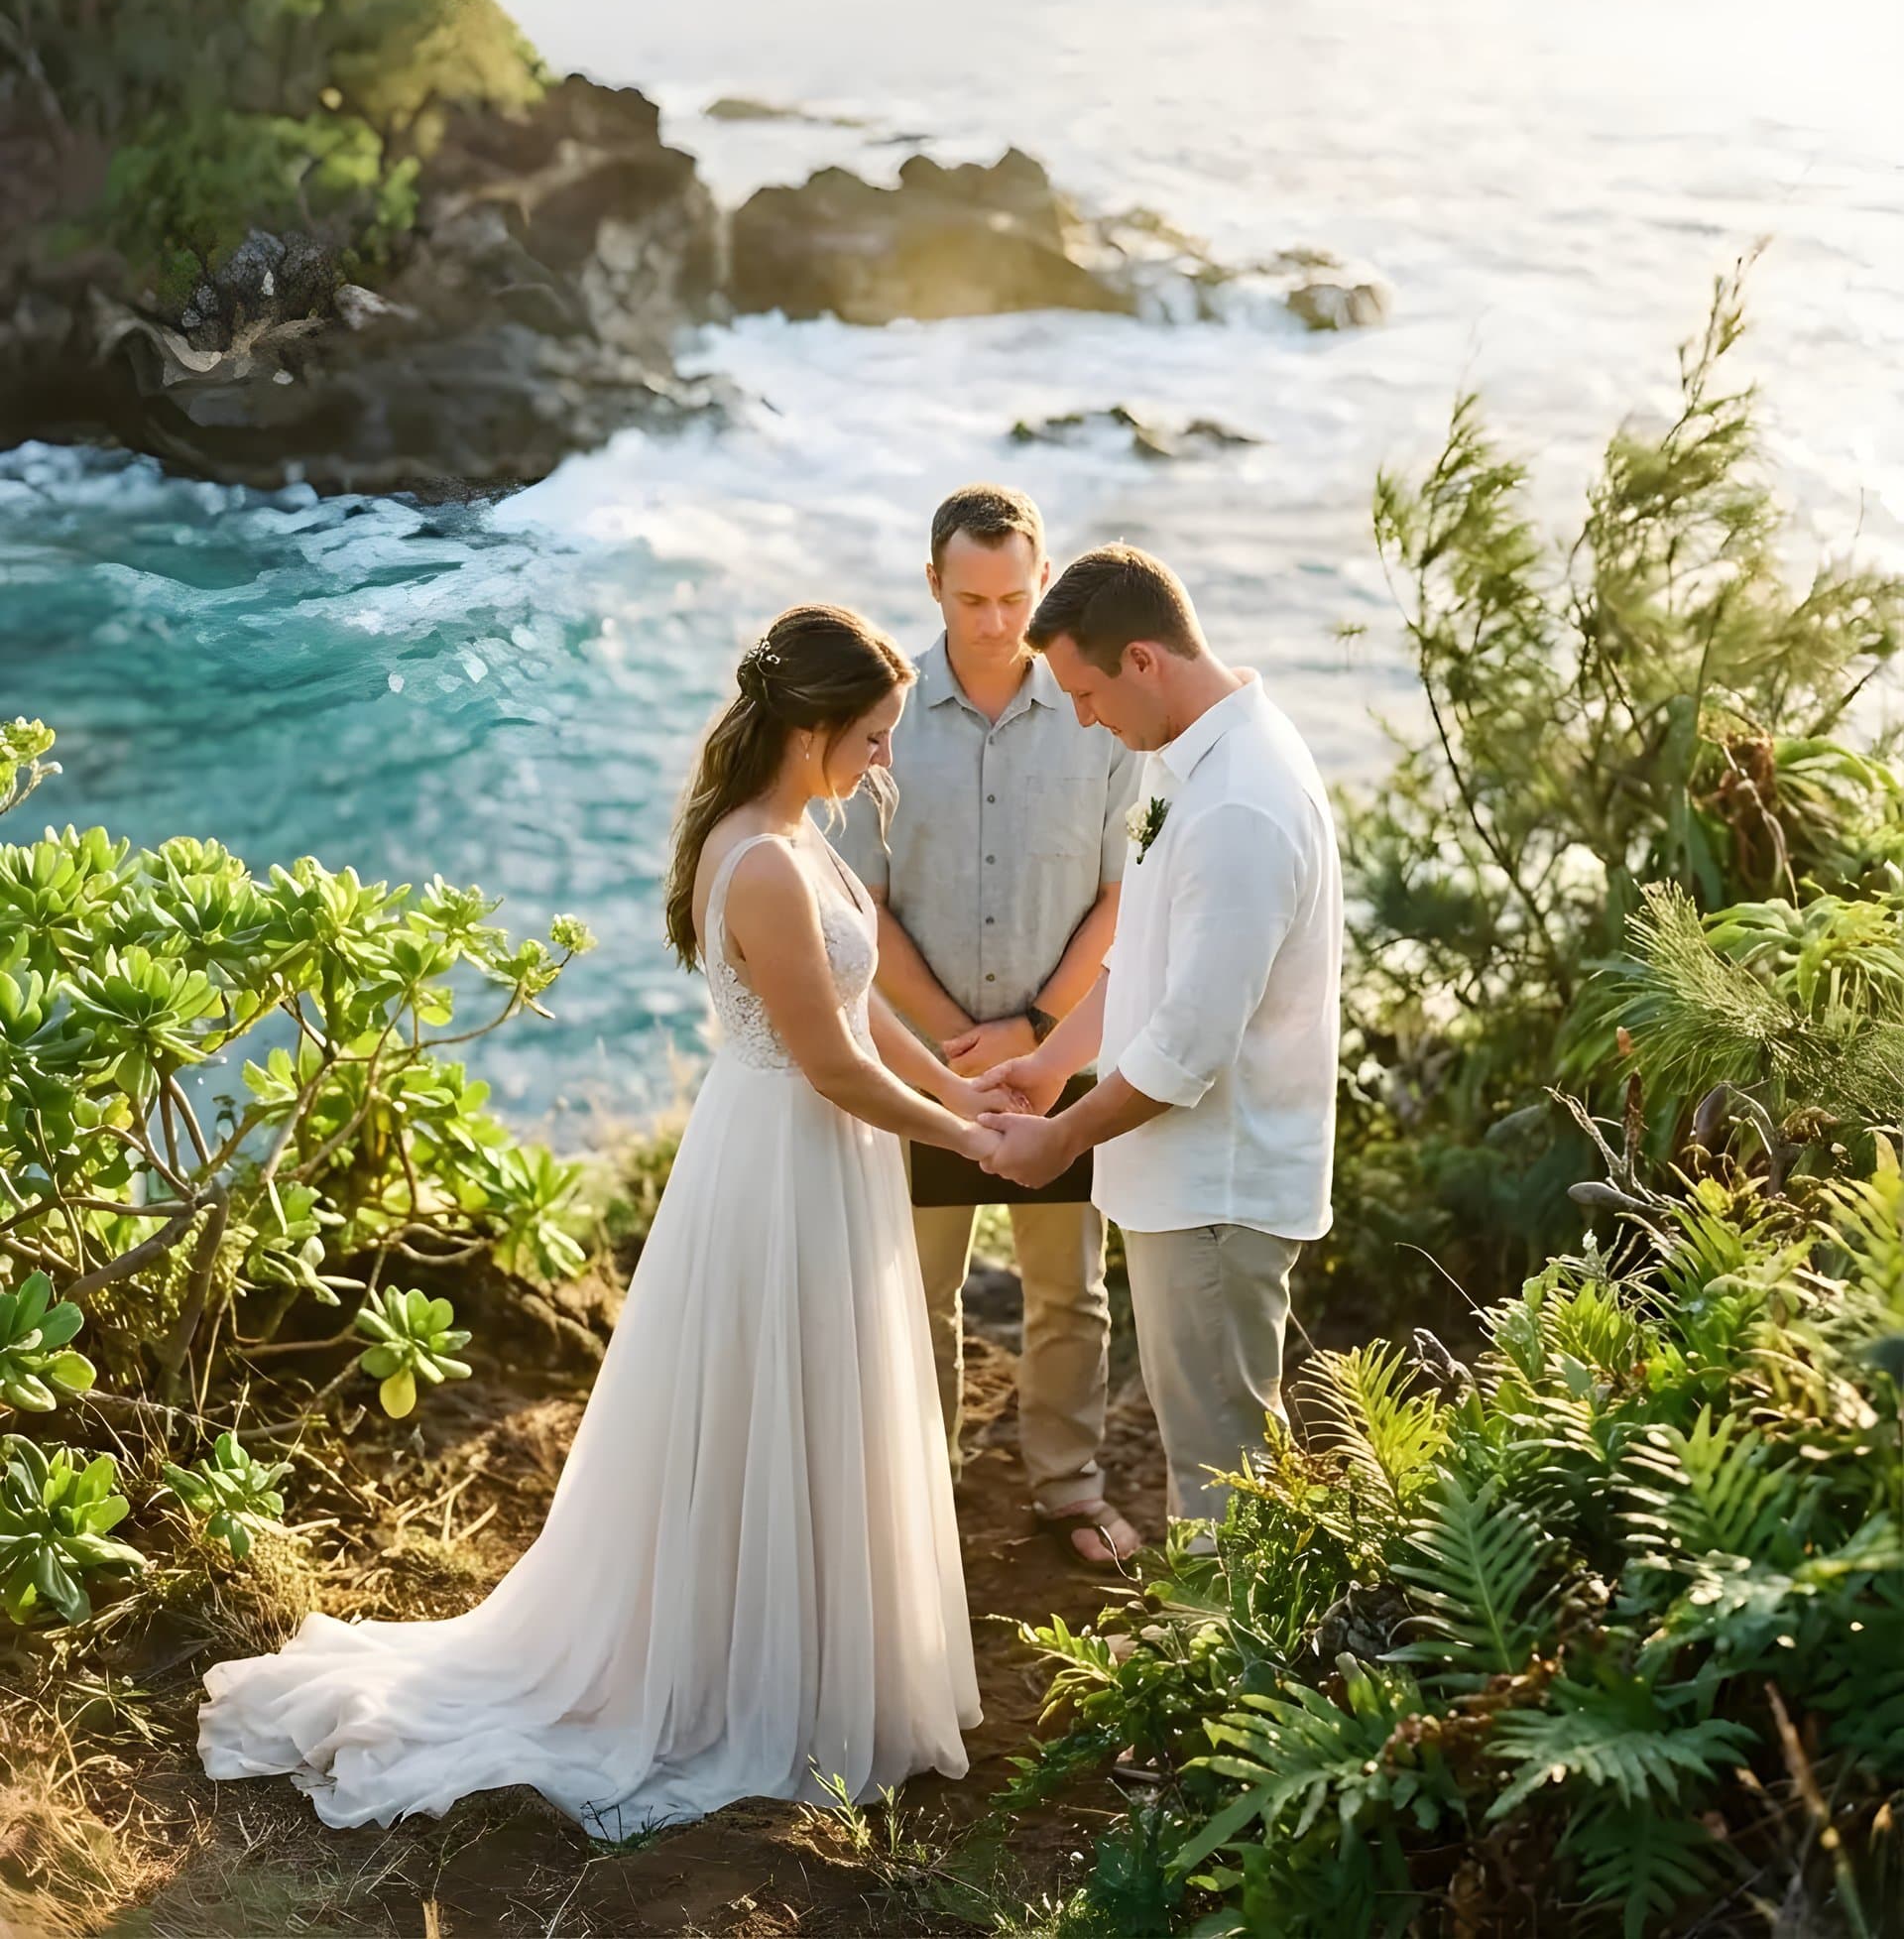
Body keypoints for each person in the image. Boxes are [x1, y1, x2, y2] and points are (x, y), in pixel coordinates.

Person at [198, 606, 1004, 1834]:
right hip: (782, 1160)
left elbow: (860, 1005)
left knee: (805, 1397)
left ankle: (795, 1650)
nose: (886, 757)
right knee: (762, 1399)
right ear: (815, 727)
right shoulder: (770, 862)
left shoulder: (802, 834)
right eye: (877, 735)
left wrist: (954, 1082)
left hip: (812, 1155)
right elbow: (831, 1065)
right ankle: (735, 1678)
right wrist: (975, 1139)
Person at [975, 546, 1342, 1549]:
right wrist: (1054, 1065)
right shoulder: (1192, 766)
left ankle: (1225, 1687)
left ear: (1142, 661)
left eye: (1087, 692)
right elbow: (1149, 957)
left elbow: (1189, 1044)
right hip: (1183, 1186)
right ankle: (1208, 1668)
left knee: (1225, 1476)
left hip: (1216, 1190)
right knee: (1207, 1457)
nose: (1085, 718)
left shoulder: (1238, 805)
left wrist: (1062, 1141)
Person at [841, 487, 1143, 1568]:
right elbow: (857, 903)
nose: (995, 622)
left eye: (1015, 597)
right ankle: (923, 1494)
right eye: (971, 599)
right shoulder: (884, 720)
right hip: (922, 1066)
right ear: (934, 585)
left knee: (1069, 1286)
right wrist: (955, 1043)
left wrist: (1036, 1029)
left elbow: (1124, 892)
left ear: (1041, 579)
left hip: (1063, 1053)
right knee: (916, 1289)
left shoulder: (1095, 713)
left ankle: (1068, 1485)